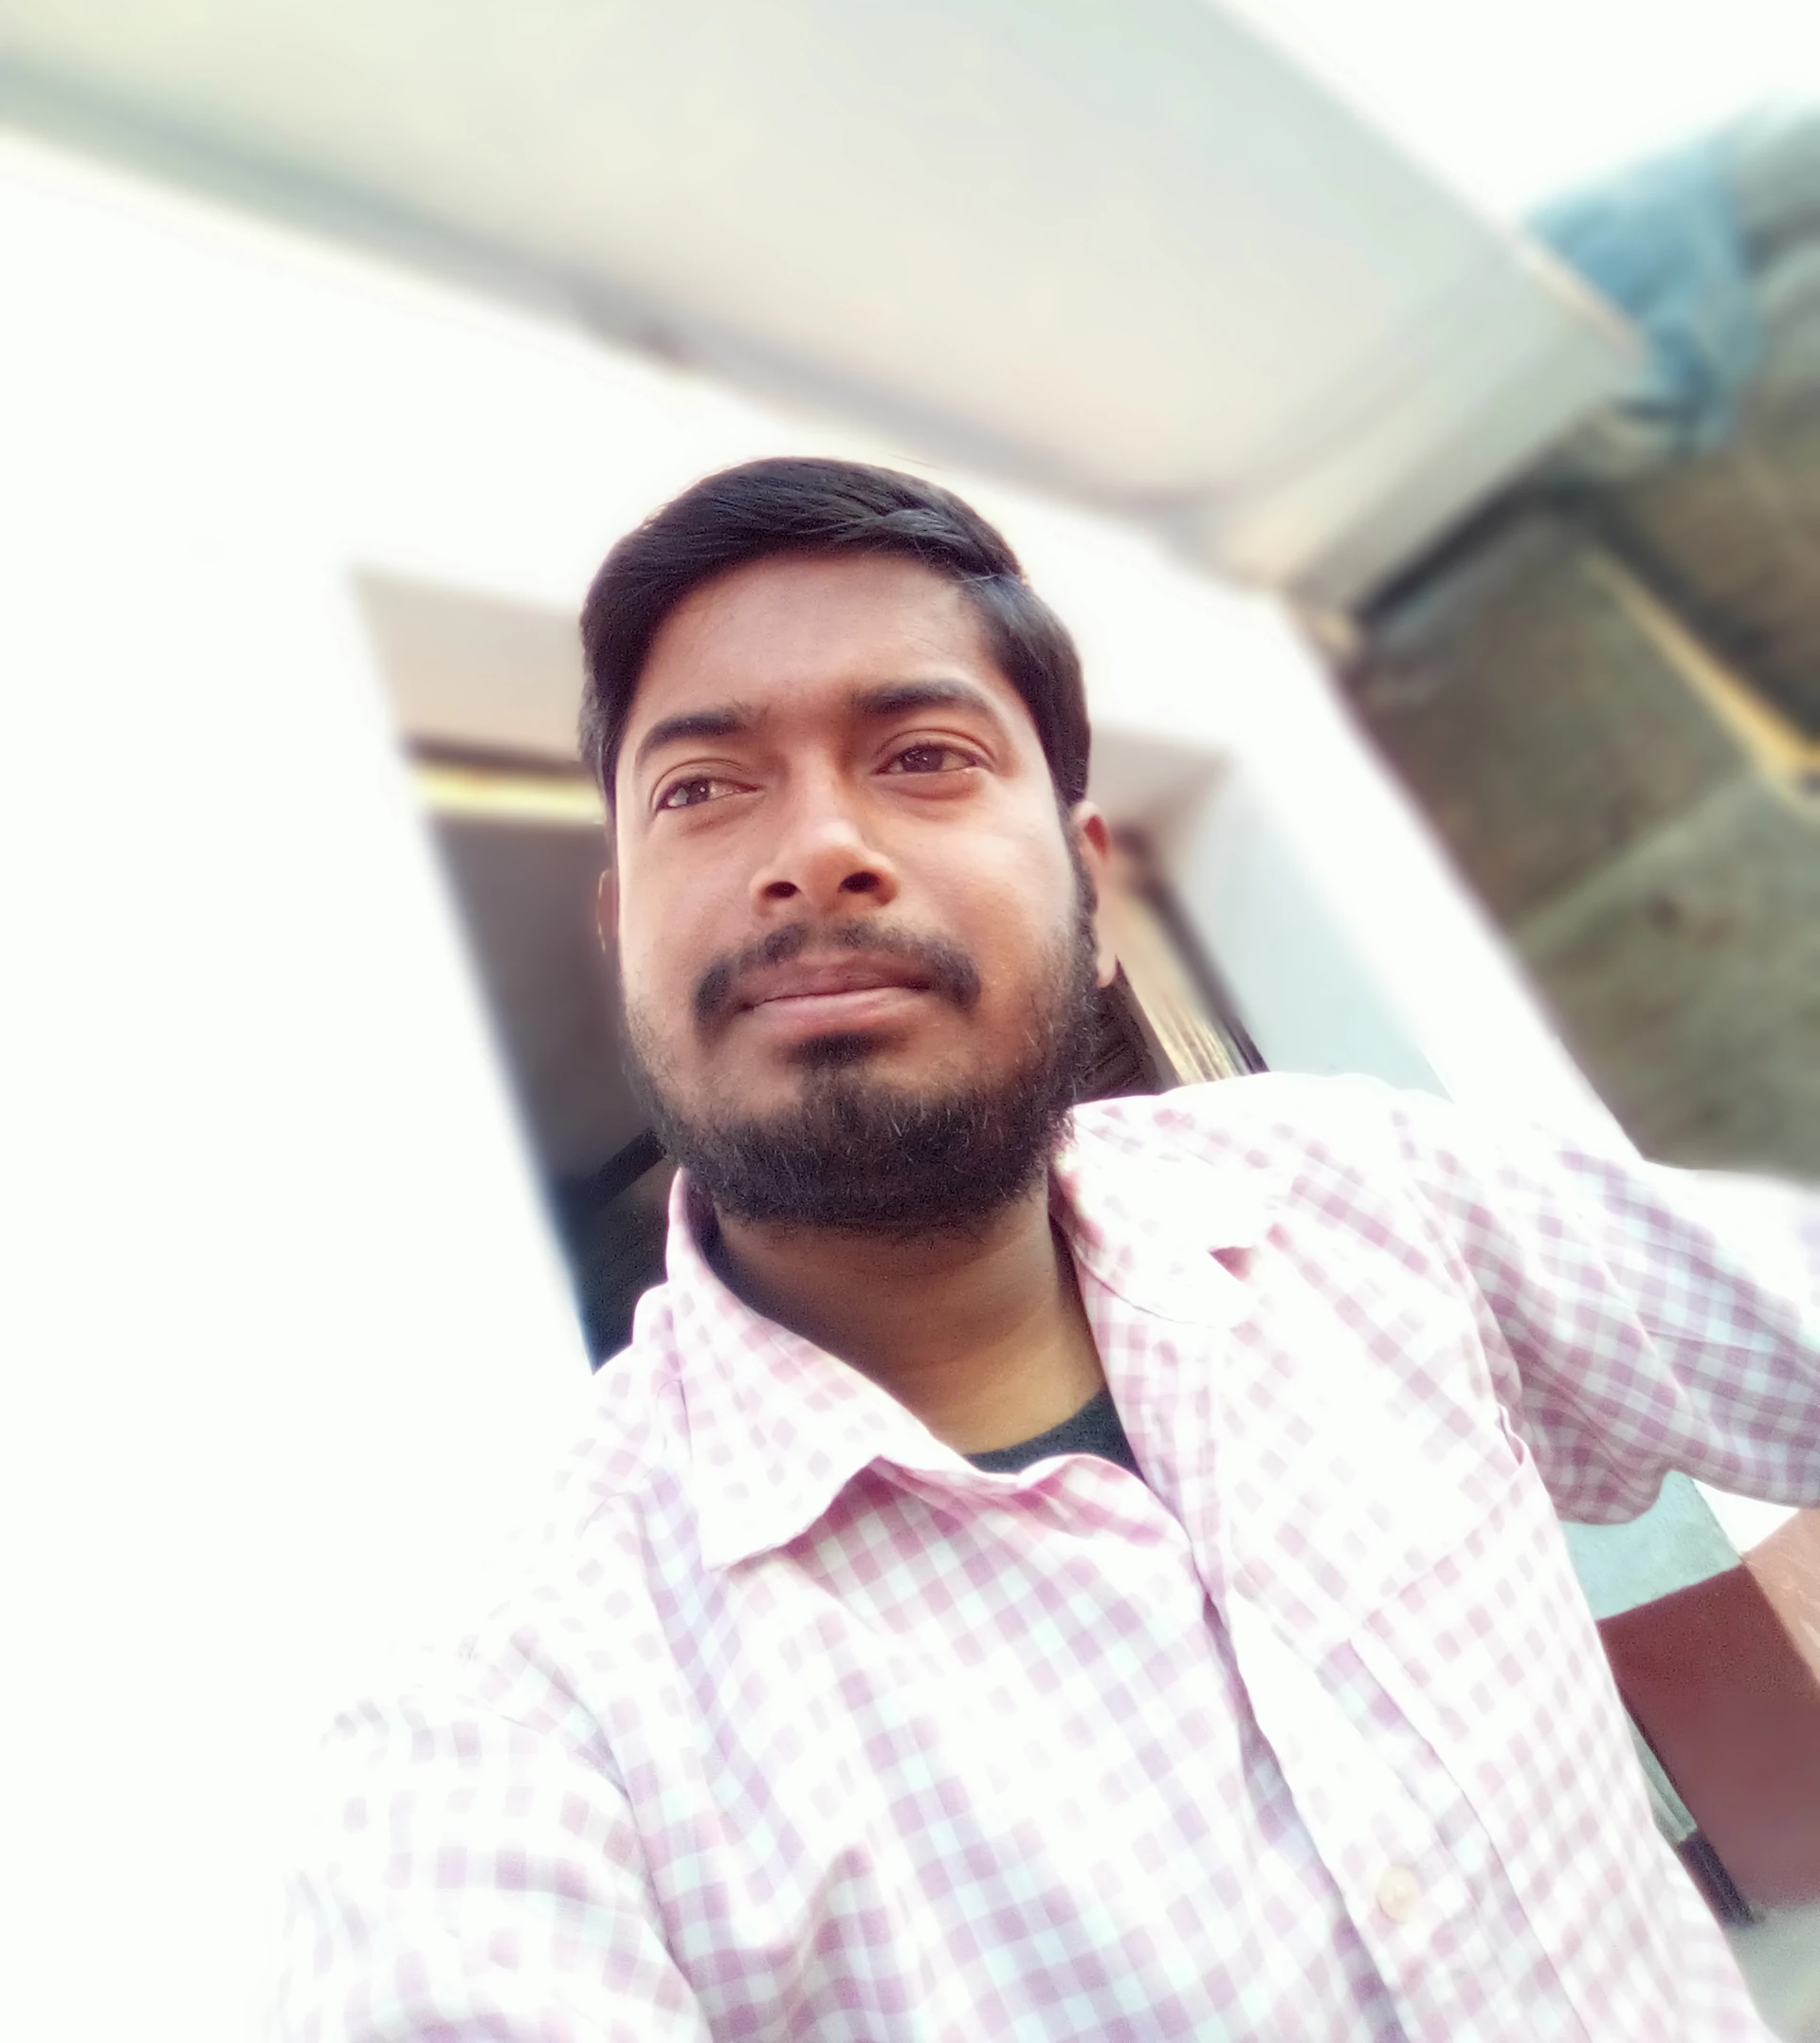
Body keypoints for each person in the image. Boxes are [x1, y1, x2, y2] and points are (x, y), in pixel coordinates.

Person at [281, 458, 1818, 2040]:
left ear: (1092, 883)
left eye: (923, 756)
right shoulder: (517, 1714)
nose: (817, 848)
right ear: (624, 931)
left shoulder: (1367, 1192)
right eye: (702, 788)